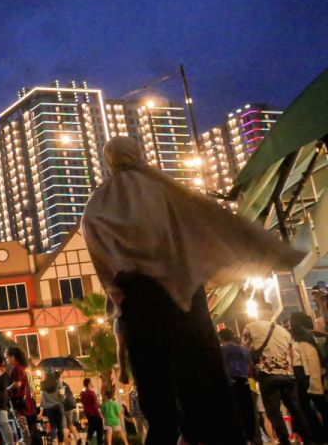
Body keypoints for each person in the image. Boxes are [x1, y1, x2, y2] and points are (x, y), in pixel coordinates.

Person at [81, 137, 303, 445]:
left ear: (109, 160)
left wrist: (122, 297)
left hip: (138, 304)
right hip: (182, 297)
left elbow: (103, 262)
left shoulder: (97, 205)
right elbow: (205, 226)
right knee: (205, 382)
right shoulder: (167, 191)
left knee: (156, 393)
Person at [245, 302, 318, 445]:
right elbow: (289, 354)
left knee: (273, 411)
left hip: (268, 374)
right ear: (271, 312)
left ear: (258, 312)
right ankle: (309, 439)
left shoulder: (251, 327)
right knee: (295, 409)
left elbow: (247, 350)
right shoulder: (284, 332)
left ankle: (284, 440)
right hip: (287, 375)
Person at [219, 328, 259, 444]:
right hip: (245, 381)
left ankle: (239, 438)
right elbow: (250, 367)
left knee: (236, 411)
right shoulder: (244, 350)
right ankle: (250, 437)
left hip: (231, 382)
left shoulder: (223, 349)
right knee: (248, 410)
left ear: (221, 338)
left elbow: (222, 365)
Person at [293, 313, 328, 442]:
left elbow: (312, 360)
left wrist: (314, 380)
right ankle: (319, 434)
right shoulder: (305, 337)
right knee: (318, 406)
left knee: (313, 406)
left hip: (306, 375)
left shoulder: (303, 338)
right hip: (307, 375)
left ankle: (319, 435)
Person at [6, 347, 36, 443]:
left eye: (7, 357)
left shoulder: (16, 369)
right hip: (24, 402)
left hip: (18, 403)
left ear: (13, 357)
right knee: (24, 429)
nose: (6, 360)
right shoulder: (22, 368)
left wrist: (7, 389)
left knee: (23, 429)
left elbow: (17, 384)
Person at [39, 370, 65, 444]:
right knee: (60, 426)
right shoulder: (58, 383)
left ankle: (54, 441)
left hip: (49, 408)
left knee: (53, 425)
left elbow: (43, 398)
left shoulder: (43, 384)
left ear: (46, 375)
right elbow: (62, 396)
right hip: (58, 406)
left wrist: (42, 409)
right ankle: (61, 443)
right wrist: (60, 400)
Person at [78, 378, 102, 445]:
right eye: (91, 382)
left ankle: (87, 441)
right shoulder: (92, 393)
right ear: (89, 383)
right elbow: (97, 403)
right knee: (99, 430)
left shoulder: (82, 393)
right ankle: (99, 443)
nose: (92, 383)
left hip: (88, 414)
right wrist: (101, 404)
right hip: (95, 413)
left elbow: (83, 403)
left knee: (91, 428)